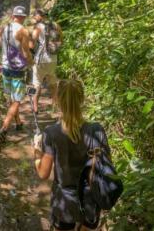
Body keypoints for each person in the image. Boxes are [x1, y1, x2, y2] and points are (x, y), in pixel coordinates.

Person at [32, 79, 112, 230]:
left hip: (64, 203)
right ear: (82, 99)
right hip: (91, 200)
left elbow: (43, 173)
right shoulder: (96, 130)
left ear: (58, 101)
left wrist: (37, 153)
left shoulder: (51, 133)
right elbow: (106, 168)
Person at [0, 6, 33, 140]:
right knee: (16, 100)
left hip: (5, 68)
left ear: (12, 16)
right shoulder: (24, 31)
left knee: (11, 98)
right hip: (18, 69)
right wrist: (32, 65)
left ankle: (19, 123)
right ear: (24, 17)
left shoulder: (4, 28)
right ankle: (4, 128)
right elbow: (26, 53)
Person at [29, 9, 63, 114]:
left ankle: (35, 108)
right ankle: (56, 107)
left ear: (39, 16)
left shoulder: (38, 27)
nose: (34, 18)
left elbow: (31, 44)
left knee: (37, 84)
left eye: (35, 16)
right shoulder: (56, 25)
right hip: (53, 58)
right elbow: (61, 39)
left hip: (41, 59)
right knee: (53, 84)